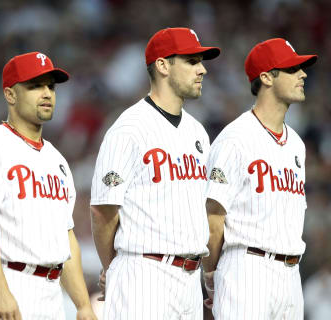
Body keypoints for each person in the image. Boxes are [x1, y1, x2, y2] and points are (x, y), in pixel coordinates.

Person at [90, 27, 220, 319]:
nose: (202, 70)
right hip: (144, 274)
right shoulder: (128, 128)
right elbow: (103, 211)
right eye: (191, 61)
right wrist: (114, 266)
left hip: (190, 280)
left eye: (201, 62)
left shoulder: (198, 131)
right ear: (162, 65)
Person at [0, 52, 97, 320]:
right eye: (35, 86)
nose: (46, 93)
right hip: (10, 281)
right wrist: (0, 288)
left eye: (50, 86)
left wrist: (83, 305)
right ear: (10, 95)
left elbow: (66, 238)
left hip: (51, 292)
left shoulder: (57, 161)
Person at [202, 38, 318, 319]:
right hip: (247, 268)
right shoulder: (235, 138)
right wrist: (212, 274)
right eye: (292, 69)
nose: (302, 74)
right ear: (266, 77)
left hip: (291, 275)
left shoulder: (296, 145)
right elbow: (213, 217)